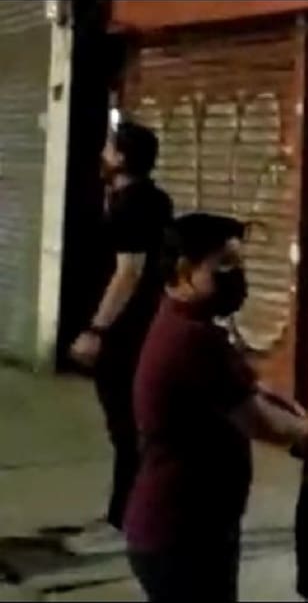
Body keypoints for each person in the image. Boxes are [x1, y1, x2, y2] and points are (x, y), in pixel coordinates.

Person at [124, 213, 308, 602]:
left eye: (239, 264)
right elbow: (262, 423)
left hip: (190, 529)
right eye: (224, 265)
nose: (237, 276)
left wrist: (304, 418)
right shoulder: (192, 339)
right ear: (184, 271)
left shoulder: (188, 322)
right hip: (182, 534)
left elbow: (254, 390)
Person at [66, 121, 174, 555]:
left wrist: (97, 329)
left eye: (110, 149)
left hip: (126, 333)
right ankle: (130, 513)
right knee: (134, 427)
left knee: (127, 429)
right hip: (144, 326)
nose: (103, 155)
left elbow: (128, 272)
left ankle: (124, 521)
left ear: (124, 158)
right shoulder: (153, 200)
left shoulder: (132, 206)